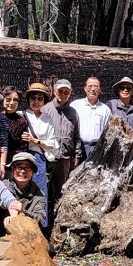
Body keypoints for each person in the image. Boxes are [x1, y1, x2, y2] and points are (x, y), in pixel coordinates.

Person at [40, 79, 80, 213]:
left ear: (70, 93)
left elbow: (76, 135)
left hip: (65, 158)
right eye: (60, 91)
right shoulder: (45, 109)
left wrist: (77, 154)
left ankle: (57, 220)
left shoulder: (74, 113)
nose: (63, 94)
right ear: (54, 92)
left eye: (66, 92)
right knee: (44, 189)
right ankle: (43, 221)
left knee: (61, 191)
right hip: (48, 156)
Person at [21, 83, 60, 201]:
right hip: (23, 158)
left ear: (44, 101)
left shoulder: (47, 119)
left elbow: (52, 143)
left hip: (39, 159)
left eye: (40, 98)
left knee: (40, 194)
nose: (36, 101)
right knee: (23, 192)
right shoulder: (21, 115)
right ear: (28, 99)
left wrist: (35, 141)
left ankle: (41, 220)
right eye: (33, 98)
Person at [1, 152, 49, 232]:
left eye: (27, 168)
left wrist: (23, 212)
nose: (23, 171)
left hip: (26, 236)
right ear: (12, 169)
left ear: (33, 171)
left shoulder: (39, 195)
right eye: (19, 167)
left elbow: (40, 221)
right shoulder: (1, 187)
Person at [70, 77, 112, 161]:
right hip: (79, 148)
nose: (93, 89)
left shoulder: (105, 109)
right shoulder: (75, 106)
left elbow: (108, 132)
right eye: (90, 86)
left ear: (100, 90)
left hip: (97, 148)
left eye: (96, 86)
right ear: (85, 88)